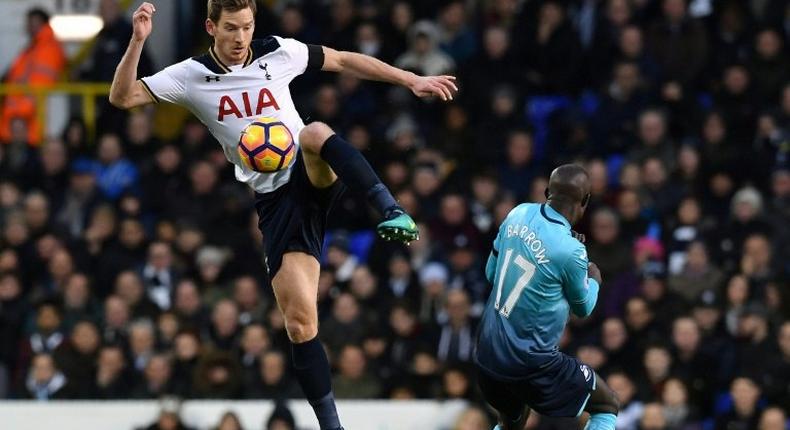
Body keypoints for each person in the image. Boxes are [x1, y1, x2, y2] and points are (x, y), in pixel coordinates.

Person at [109, 2, 457, 429]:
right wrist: (138, 41)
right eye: (232, 28)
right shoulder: (191, 75)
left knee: (313, 132)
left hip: (310, 170)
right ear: (210, 27)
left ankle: (391, 209)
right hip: (276, 202)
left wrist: (411, 79)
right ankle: (333, 425)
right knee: (299, 324)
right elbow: (123, 97)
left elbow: (344, 59)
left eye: (248, 27)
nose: (241, 38)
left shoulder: (279, 51)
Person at [474, 164, 620, 430]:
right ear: (585, 201)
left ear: (546, 192)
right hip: (530, 364)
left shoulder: (518, 213)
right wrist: (594, 280)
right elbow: (583, 308)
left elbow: (491, 273)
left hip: (486, 354)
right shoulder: (571, 251)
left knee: (512, 422)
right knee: (606, 405)